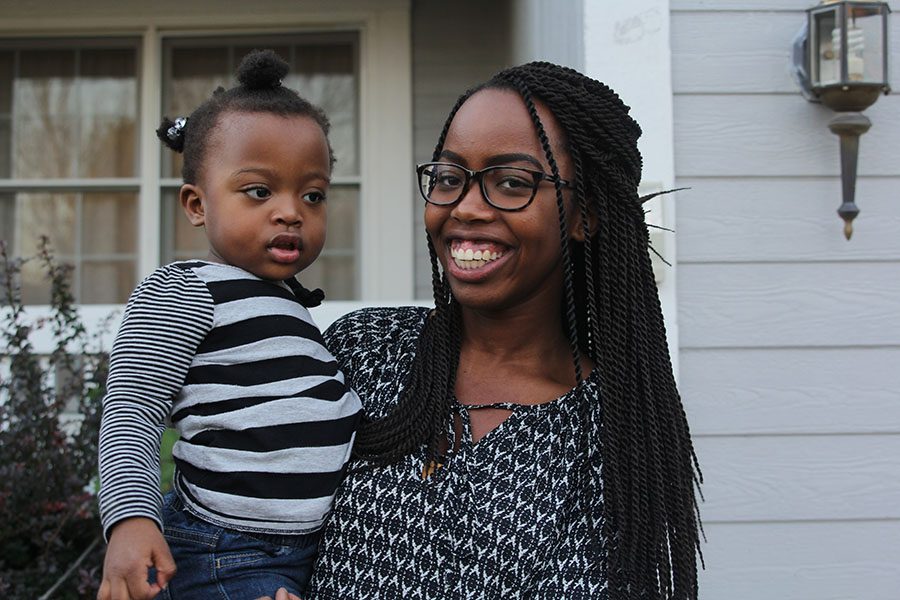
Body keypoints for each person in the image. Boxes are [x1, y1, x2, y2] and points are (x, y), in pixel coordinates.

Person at [265, 62, 702, 600]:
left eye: (511, 183)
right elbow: (232, 507)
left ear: (583, 214)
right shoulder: (362, 352)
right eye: (449, 178)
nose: (466, 207)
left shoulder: (621, 432)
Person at [96, 49, 361, 600]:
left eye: (312, 195)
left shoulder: (288, 303)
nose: (291, 211)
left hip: (311, 550)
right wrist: (130, 521)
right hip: (221, 547)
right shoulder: (185, 287)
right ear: (196, 204)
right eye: (259, 191)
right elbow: (132, 409)